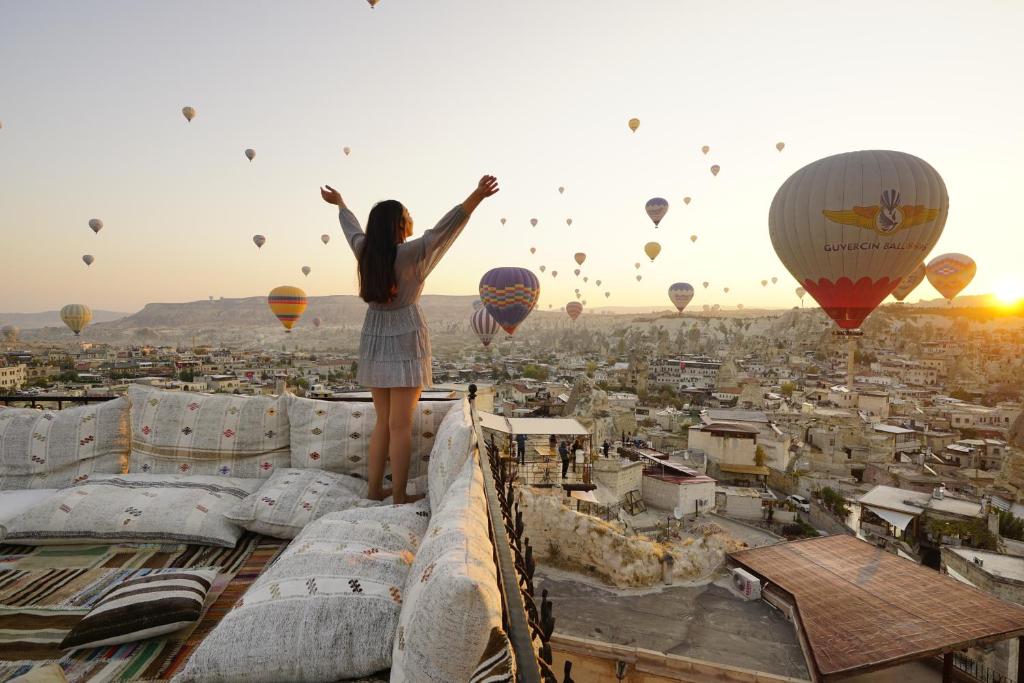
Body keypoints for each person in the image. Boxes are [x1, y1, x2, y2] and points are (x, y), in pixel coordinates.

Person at [320, 175, 500, 503]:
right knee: (401, 425)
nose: (413, 218)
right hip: (406, 338)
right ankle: (400, 495)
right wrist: (477, 195)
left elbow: (352, 231)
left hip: (374, 335)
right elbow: (448, 229)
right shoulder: (414, 253)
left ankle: (375, 490)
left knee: (383, 424)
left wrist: (341, 204)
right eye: (408, 214)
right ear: (399, 224)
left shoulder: (365, 252)